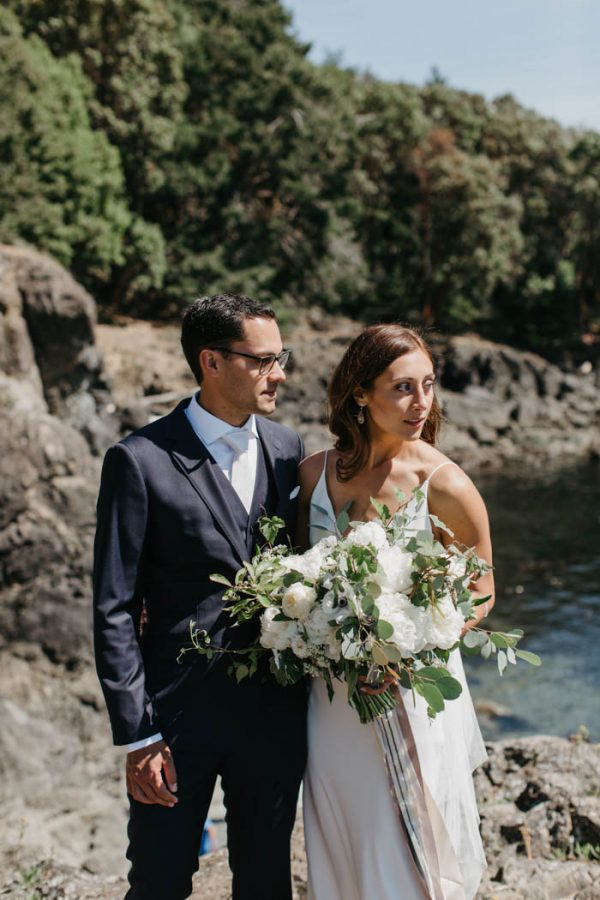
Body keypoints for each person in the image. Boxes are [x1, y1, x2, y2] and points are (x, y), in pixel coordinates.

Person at [93, 294, 307, 900]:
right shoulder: (138, 461)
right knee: (159, 883)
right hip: (175, 723)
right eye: (263, 360)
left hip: (272, 715)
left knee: (267, 883)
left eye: (280, 357)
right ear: (211, 361)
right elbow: (112, 609)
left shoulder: (289, 450)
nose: (281, 374)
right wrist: (138, 736)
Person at [296, 324, 495, 900]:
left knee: (406, 849)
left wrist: (416, 645)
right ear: (360, 392)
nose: (421, 403)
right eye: (403, 387)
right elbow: (296, 577)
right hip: (330, 702)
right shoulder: (313, 475)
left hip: (407, 693)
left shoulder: (445, 483)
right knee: (343, 835)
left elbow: (480, 589)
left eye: (428, 386)